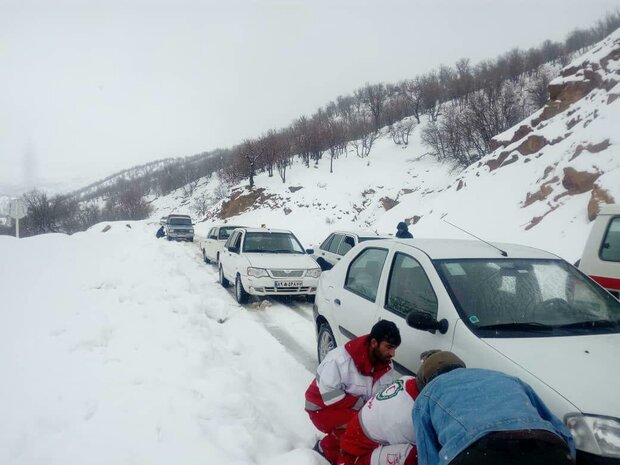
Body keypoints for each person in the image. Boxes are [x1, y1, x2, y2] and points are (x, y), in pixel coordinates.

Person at [413, 351, 576, 465]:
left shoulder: (427, 394)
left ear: (425, 379)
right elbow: (560, 429)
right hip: (545, 447)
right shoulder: (505, 378)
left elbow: (428, 455)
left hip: (477, 453)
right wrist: (566, 457)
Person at [305, 320, 401, 465]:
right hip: (320, 407)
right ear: (374, 343)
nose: (392, 353)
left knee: (373, 427)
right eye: (389, 347)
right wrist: (362, 407)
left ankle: (338, 448)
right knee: (358, 429)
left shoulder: (386, 366)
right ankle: (326, 451)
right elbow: (330, 397)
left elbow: (381, 397)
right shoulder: (339, 360)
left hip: (348, 407)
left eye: (394, 348)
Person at [337, 351, 442, 465]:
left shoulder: (408, 380)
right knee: (419, 455)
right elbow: (430, 452)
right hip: (356, 456)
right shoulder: (409, 416)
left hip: (357, 438)